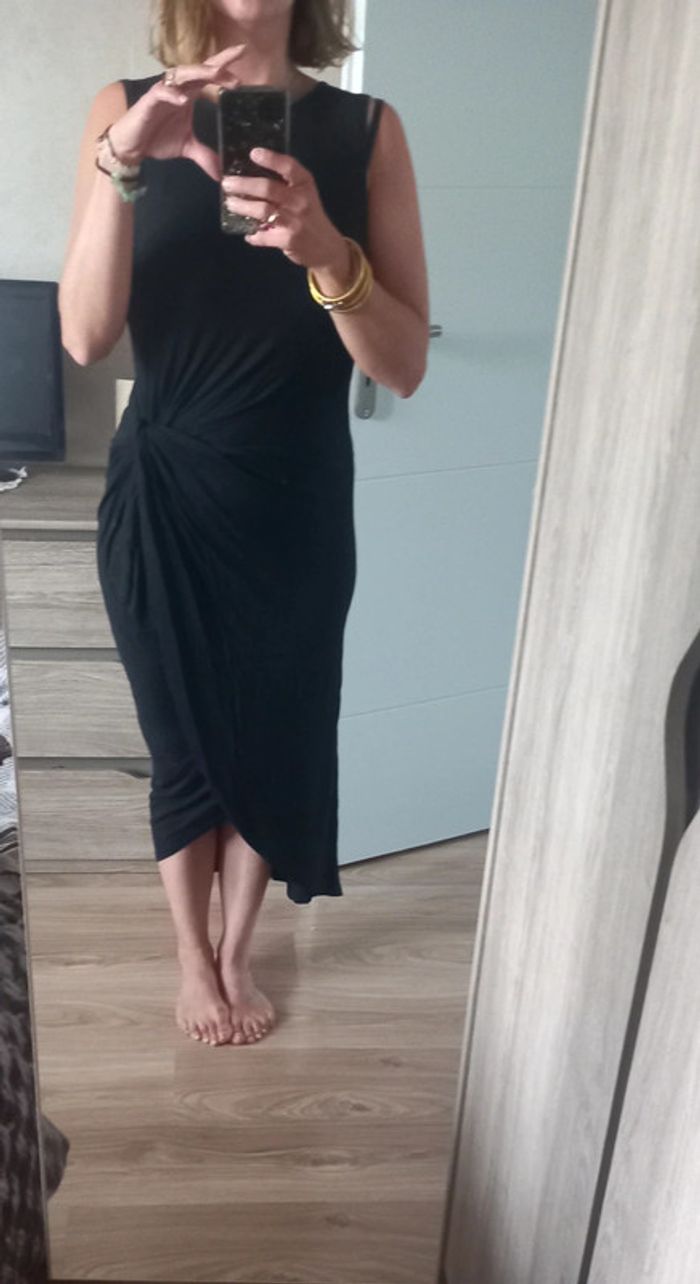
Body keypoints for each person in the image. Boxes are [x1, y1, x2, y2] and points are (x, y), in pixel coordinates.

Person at [58, 0, 429, 1051]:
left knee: (278, 730)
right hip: (166, 488)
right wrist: (122, 164)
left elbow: (402, 363)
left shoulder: (368, 131)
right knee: (181, 738)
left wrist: (327, 251)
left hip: (295, 497)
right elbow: (85, 335)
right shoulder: (124, 108)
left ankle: (237, 950)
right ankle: (191, 952)